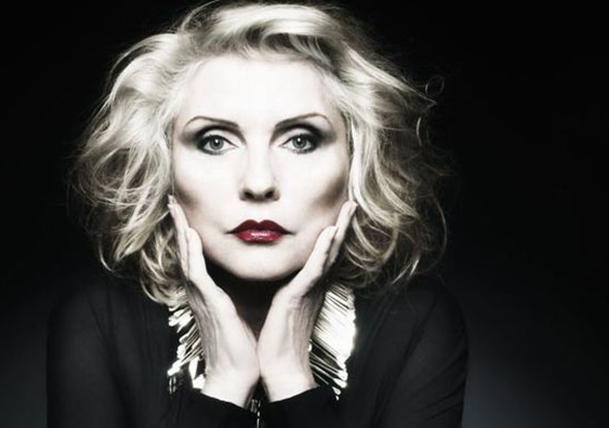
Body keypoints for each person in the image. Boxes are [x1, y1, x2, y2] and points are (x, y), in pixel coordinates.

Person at [47, 1, 468, 427]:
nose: (259, 182)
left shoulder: (417, 320)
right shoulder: (98, 318)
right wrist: (226, 383)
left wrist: (290, 377)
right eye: (215, 141)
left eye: (300, 140)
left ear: (357, 161)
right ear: (162, 164)